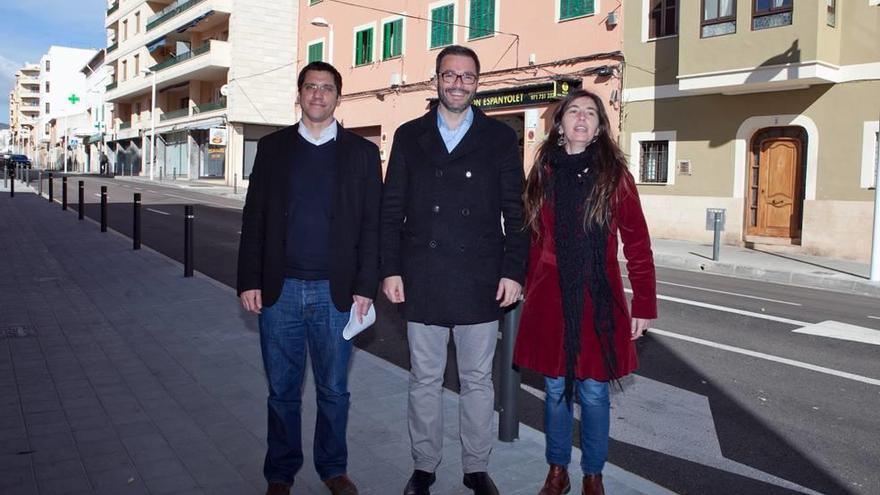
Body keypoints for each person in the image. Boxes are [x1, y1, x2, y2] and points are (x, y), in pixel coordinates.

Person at [380, 45, 529, 495]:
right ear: (436, 80)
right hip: (421, 273)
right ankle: (424, 465)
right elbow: (391, 208)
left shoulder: (500, 138)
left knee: (478, 381)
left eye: (466, 76)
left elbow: (516, 211)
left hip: (479, 278)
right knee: (424, 378)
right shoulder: (409, 135)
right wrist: (390, 269)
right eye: (450, 75)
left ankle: (475, 467)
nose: (457, 83)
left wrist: (513, 271)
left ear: (477, 83)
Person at [237, 61, 382, 495]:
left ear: (339, 96)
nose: (318, 94)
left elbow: (372, 225)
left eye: (327, 88)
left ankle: (332, 468)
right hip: (279, 291)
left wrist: (366, 287)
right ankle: (280, 473)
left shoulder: (361, 153)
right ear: (298, 94)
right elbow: (255, 217)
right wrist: (248, 279)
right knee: (282, 392)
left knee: (334, 391)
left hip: (335, 295)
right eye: (310, 87)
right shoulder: (273, 148)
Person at [513, 89, 657, 495]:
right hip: (549, 295)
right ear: (559, 124)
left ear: (598, 128)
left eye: (590, 113)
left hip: (600, 294)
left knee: (594, 391)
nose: (580, 118)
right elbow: (531, 235)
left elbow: (638, 242)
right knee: (556, 388)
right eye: (572, 111)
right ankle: (557, 470)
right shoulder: (543, 172)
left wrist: (643, 303)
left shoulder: (616, 177)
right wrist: (523, 284)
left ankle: (593, 473)